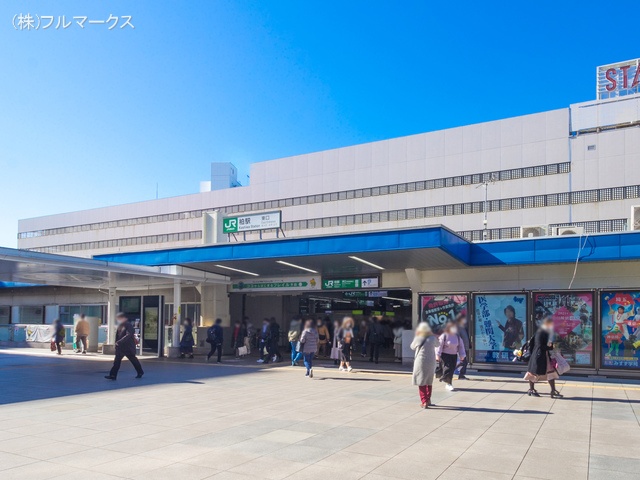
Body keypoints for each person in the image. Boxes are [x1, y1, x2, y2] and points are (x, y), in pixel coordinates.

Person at [524, 316, 562, 398]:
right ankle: (532, 389)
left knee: (550, 372)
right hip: (540, 356)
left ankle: (552, 390)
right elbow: (540, 346)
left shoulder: (541, 331)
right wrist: (550, 347)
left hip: (540, 355)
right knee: (534, 373)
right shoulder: (542, 332)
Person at [105, 313, 144, 380]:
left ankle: (140, 372)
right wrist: (116, 343)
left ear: (124, 318)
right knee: (117, 361)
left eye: (119, 318)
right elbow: (117, 336)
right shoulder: (120, 326)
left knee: (133, 360)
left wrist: (120, 342)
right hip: (120, 347)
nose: (118, 320)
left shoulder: (128, 325)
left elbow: (128, 335)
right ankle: (113, 375)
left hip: (128, 347)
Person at [411, 322, 440, 408]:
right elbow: (438, 344)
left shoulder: (419, 337)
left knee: (421, 381)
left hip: (421, 361)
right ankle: (428, 400)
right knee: (428, 380)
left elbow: (412, 347)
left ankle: (424, 401)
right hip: (431, 361)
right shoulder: (432, 338)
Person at [436, 321, 466, 391]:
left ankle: (447, 381)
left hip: (454, 355)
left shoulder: (457, 336)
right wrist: (438, 355)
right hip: (445, 355)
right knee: (448, 368)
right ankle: (448, 383)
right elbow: (439, 346)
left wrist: (462, 355)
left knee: (451, 369)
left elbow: (461, 346)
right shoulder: (444, 335)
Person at [456, 313, 471, 380]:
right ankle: (460, 374)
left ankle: (461, 374)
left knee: (464, 362)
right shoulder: (458, 328)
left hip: (466, 347)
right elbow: (457, 339)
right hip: (461, 348)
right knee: (463, 362)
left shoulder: (464, 327)